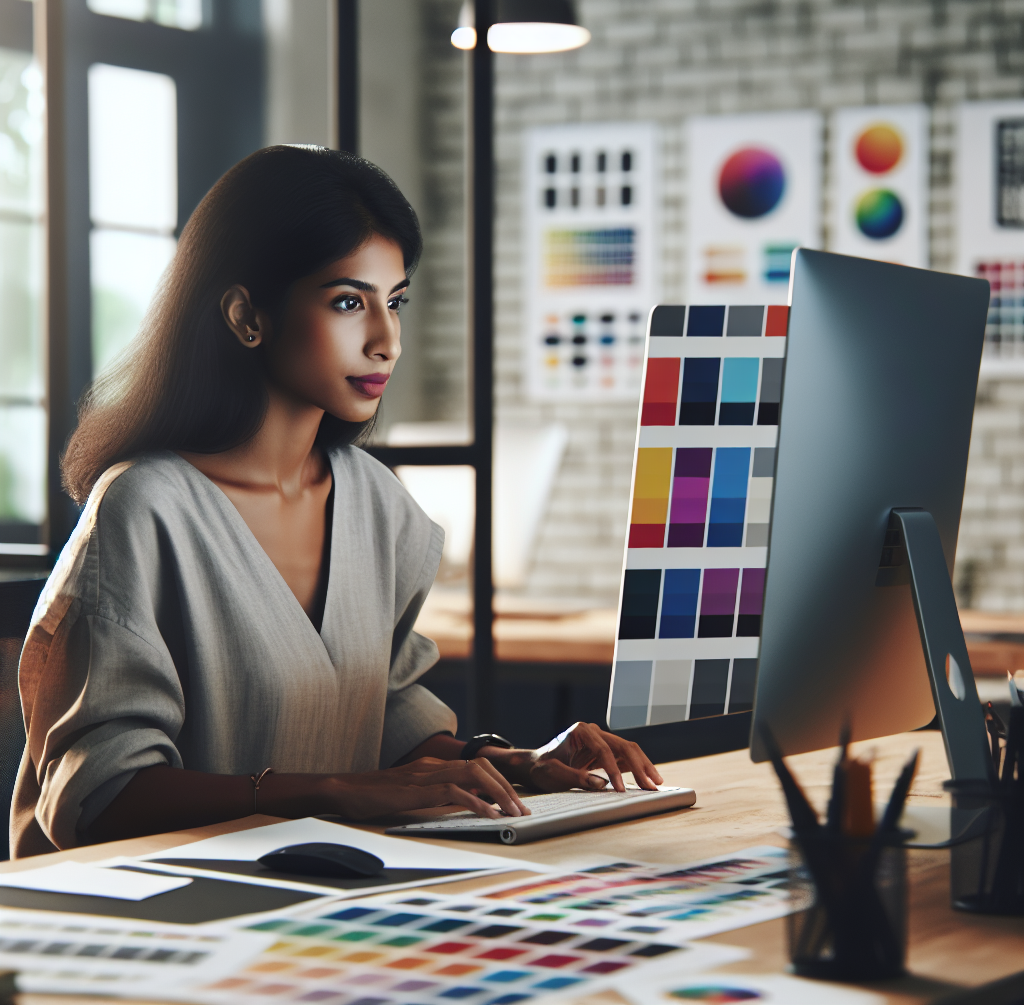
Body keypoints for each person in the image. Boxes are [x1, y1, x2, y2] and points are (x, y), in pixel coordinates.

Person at [11, 146, 662, 858]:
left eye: (396, 300)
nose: (387, 340)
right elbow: (97, 799)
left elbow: (386, 724)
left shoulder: (380, 505)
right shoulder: (145, 508)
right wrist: (328, 793)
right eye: (349, 301)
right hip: (146, 920)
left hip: (318, 901)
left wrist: (515, 762)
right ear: (244, 314)